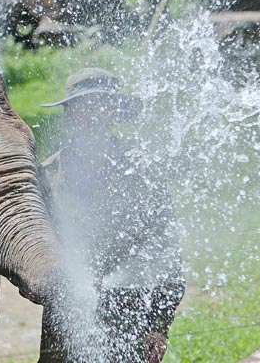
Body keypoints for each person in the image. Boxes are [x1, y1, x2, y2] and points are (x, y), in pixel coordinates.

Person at [37, 69, 185, 363]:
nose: (91, 116)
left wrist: (158, 325)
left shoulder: (141, 173)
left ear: (115, 113)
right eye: (82, 107)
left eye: (100, 106)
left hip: (128, 307)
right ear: (70, 114)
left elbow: (168, 252)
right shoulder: (48, 174)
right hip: (67, 310)